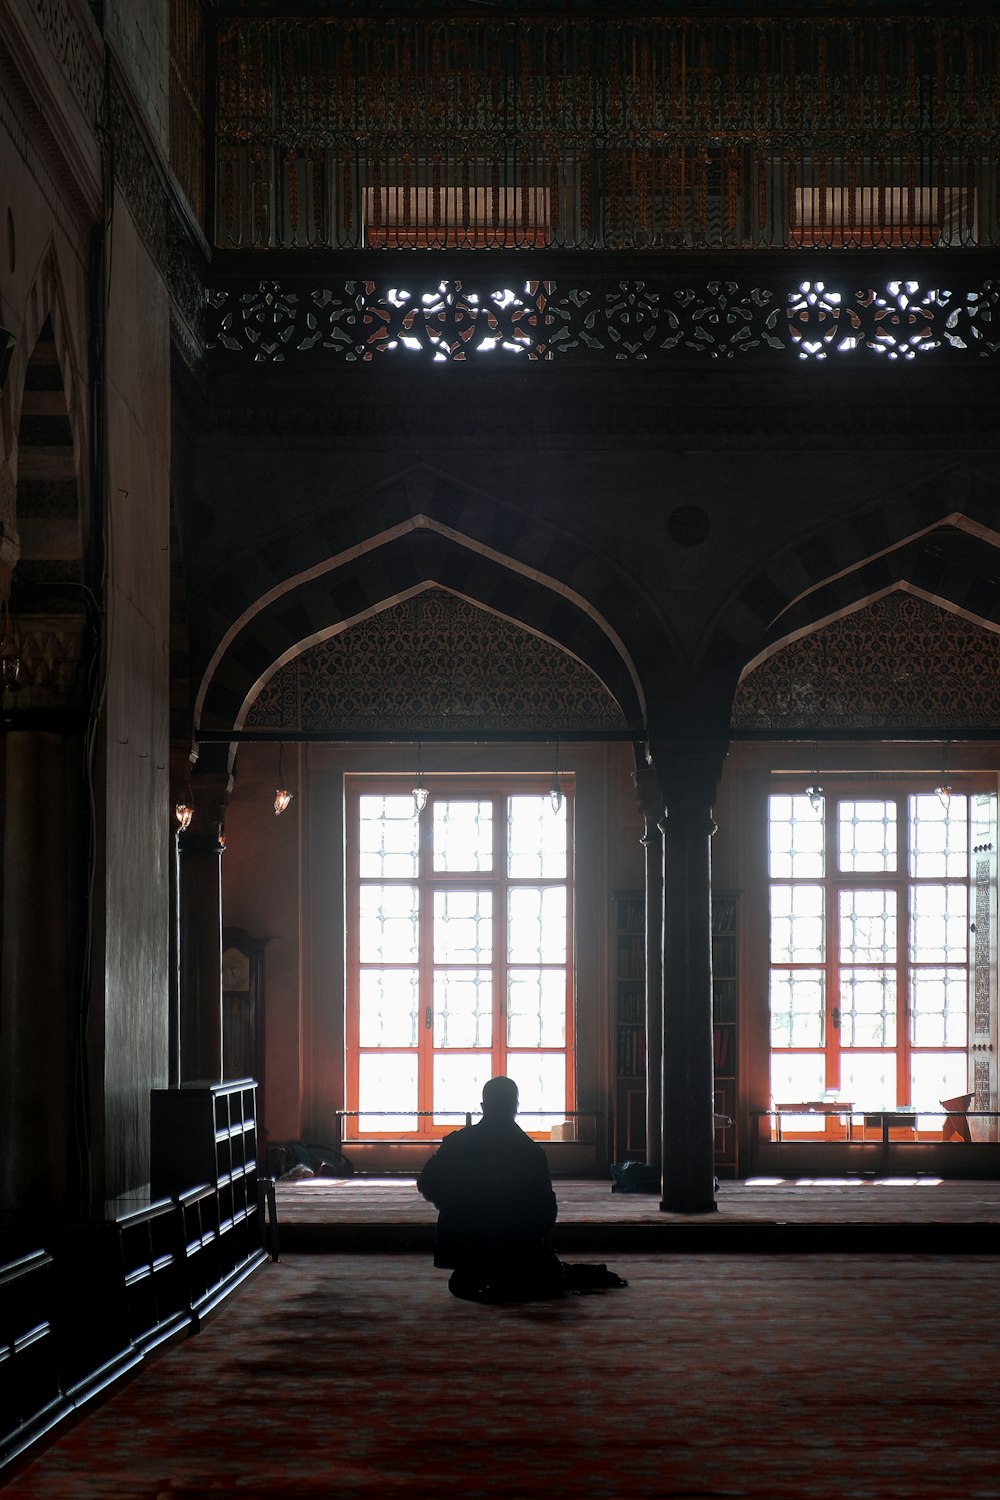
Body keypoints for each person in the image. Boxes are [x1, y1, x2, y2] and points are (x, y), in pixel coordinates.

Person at [416, 1075, 567, 1301]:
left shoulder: (457, 1143)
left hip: (465, 1242)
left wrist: (451, 1205)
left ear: (483, 1106)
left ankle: (476, 1272)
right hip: (515, 1245)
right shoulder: (530, 1151)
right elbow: (546, 1212)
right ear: (515, 1107)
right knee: (553, 1277)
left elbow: (426, 1182)